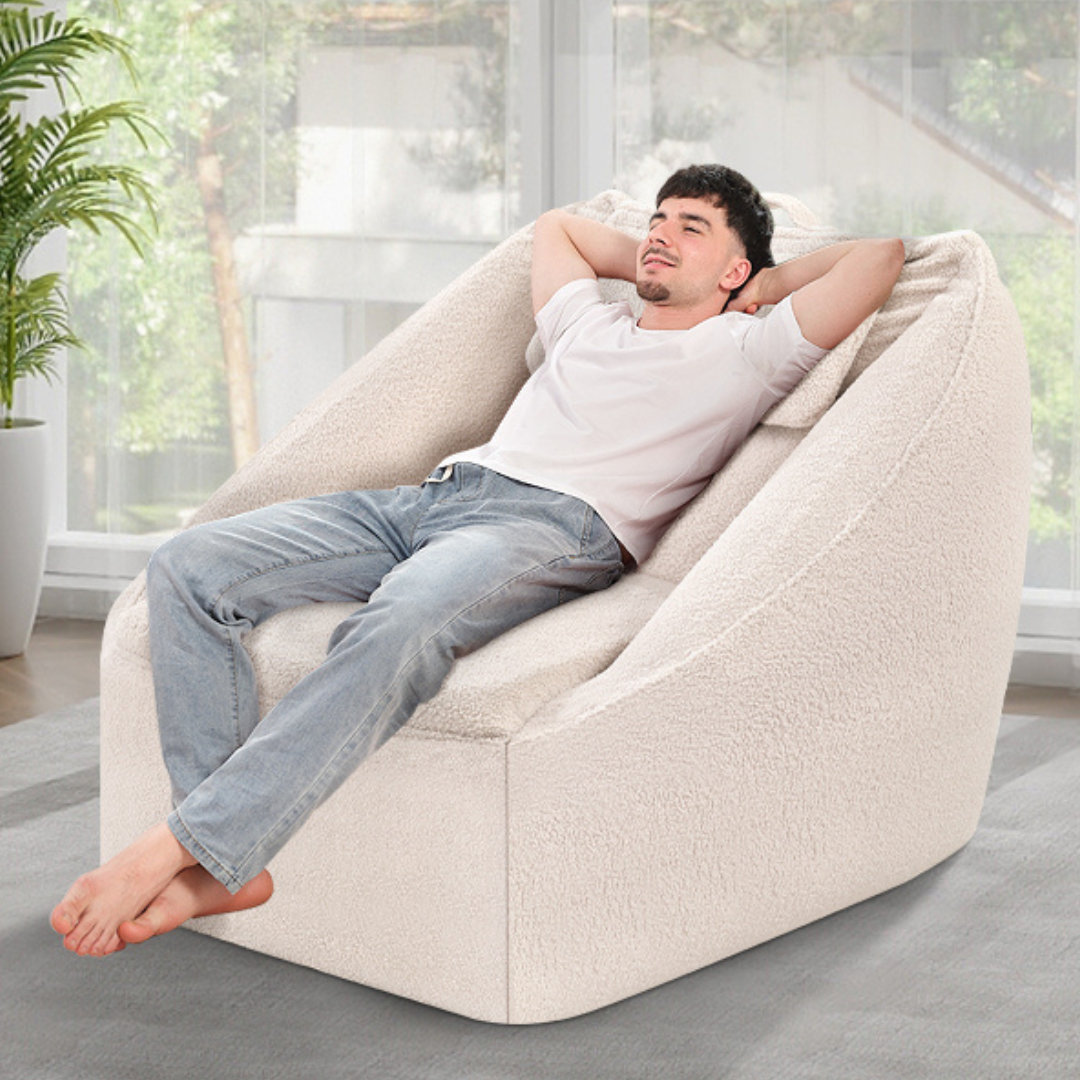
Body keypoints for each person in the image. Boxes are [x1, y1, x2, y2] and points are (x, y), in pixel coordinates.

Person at [51, 164, 905, 958]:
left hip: (551, 528)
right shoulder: (588, 320)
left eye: (691, 227)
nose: (659, 235)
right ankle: (218, 859)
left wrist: (766, 283)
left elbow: (882, 257)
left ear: (736, 270)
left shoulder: (750, 350)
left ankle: (181, 844)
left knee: (399, 626)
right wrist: (668, 254)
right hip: (436, 497)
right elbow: (558, 228)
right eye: (657, 220)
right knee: (190, 564)